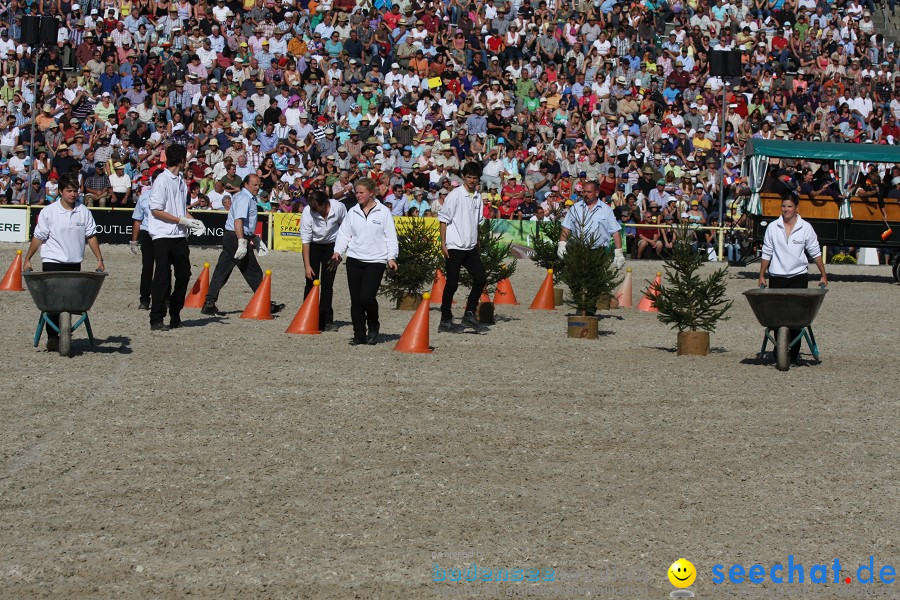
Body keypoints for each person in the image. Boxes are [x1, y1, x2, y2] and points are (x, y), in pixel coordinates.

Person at [23, 173, 105, 346]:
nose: (73, 194)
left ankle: (65, 332)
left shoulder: (83, 212)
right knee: (52, 302)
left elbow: (91, 236)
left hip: (74, 262)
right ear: (60, 191)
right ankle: (53, 337)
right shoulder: (49, 212)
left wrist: (99, 258)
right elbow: (38, 237)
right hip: (52, 261)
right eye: (69, 191)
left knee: (69, 301)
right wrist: (28, 258)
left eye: (75, 191)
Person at [758, 195, 828, 364]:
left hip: (798, 276)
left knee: (796, 317)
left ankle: (793, 352)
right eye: (783, 206)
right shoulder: (773, 227)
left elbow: (814, 251)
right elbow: (767, 252)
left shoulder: (805, 228)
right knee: (777, 316)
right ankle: (780, 348)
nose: (786, 209)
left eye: (789, 206)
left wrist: (823, 274)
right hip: (777, 275)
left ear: (797, 208)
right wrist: (761, 274)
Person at [202, 174, 285, 316]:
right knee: (253, 271)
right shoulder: (244, 198)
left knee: (222, 270)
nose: (258, 188)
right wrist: (242, 241)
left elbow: (245, 223)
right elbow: (238, 221)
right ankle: (265, 304)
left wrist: (254, 238)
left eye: (259, 185)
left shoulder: (247, 198)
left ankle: (209, 303)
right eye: (255, 185)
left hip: (233, 236)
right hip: (235, 236)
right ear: (246, 184)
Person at [332, 177, 398, 345]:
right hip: (354, 258)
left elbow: (390, 236)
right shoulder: (352, 212)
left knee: (367, 296)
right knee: (356, 299)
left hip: (376, 260)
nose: (358, 195)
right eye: (356, 192)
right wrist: (337, 252)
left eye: (361, 192)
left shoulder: (383, 212)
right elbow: (344, 234)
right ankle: (359, 334)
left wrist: (391, 257)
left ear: (371, 193)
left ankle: (373, 324)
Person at [147, 143, 205, 331]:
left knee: (184, 274)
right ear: (181, 160)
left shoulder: (180, 180)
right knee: (162, 277)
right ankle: (156, 317)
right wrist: (183, 220)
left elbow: (180, 209)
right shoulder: (162, 180)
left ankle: (175, 310)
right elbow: (156, 210)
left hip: (179, 234)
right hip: (162, 235)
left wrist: (194, 221)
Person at [437, 161, 489, 333]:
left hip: (471, 247)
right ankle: (445, 319)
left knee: (480, 278)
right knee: (452, 283)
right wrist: (443, 243)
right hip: (454, 246)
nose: (472, 180)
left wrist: (478, 244)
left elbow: (477, 223)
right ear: (464, 177)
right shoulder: (455, 195)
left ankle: (469, 314)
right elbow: (443, 220)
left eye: (474, 178)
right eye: (469, 177)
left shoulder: (478, 196)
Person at [300, 189, 347, 332]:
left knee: (328, 284)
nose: (317, 212)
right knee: (311, 282)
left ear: (325, 203)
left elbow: (345, 228)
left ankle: (326, 320)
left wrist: (339, 251)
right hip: (314, 247)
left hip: (332, 248)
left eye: (319, 209)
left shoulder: (338, 207)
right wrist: (307, 266)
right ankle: (307, 317)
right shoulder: (308, 212)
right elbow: (306, 242)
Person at [558, 180, 626, 269]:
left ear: (597, 193)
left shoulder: (606, 210)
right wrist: (562, 245)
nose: (586, 194)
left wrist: (618, 253)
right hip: (577, 251)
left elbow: (615, 231)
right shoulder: (575, 208)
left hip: (599, 253)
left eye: (589, 192)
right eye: (584, 192)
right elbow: (566, 228)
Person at [129, 174, 156, 310]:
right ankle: (144, 299)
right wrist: (134, 241)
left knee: (164, 267)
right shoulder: (144, 197)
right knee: (147, 268)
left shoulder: (170, 196)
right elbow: (137, 220)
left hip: (163, 233)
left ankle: (165, 298)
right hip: (147, 234)